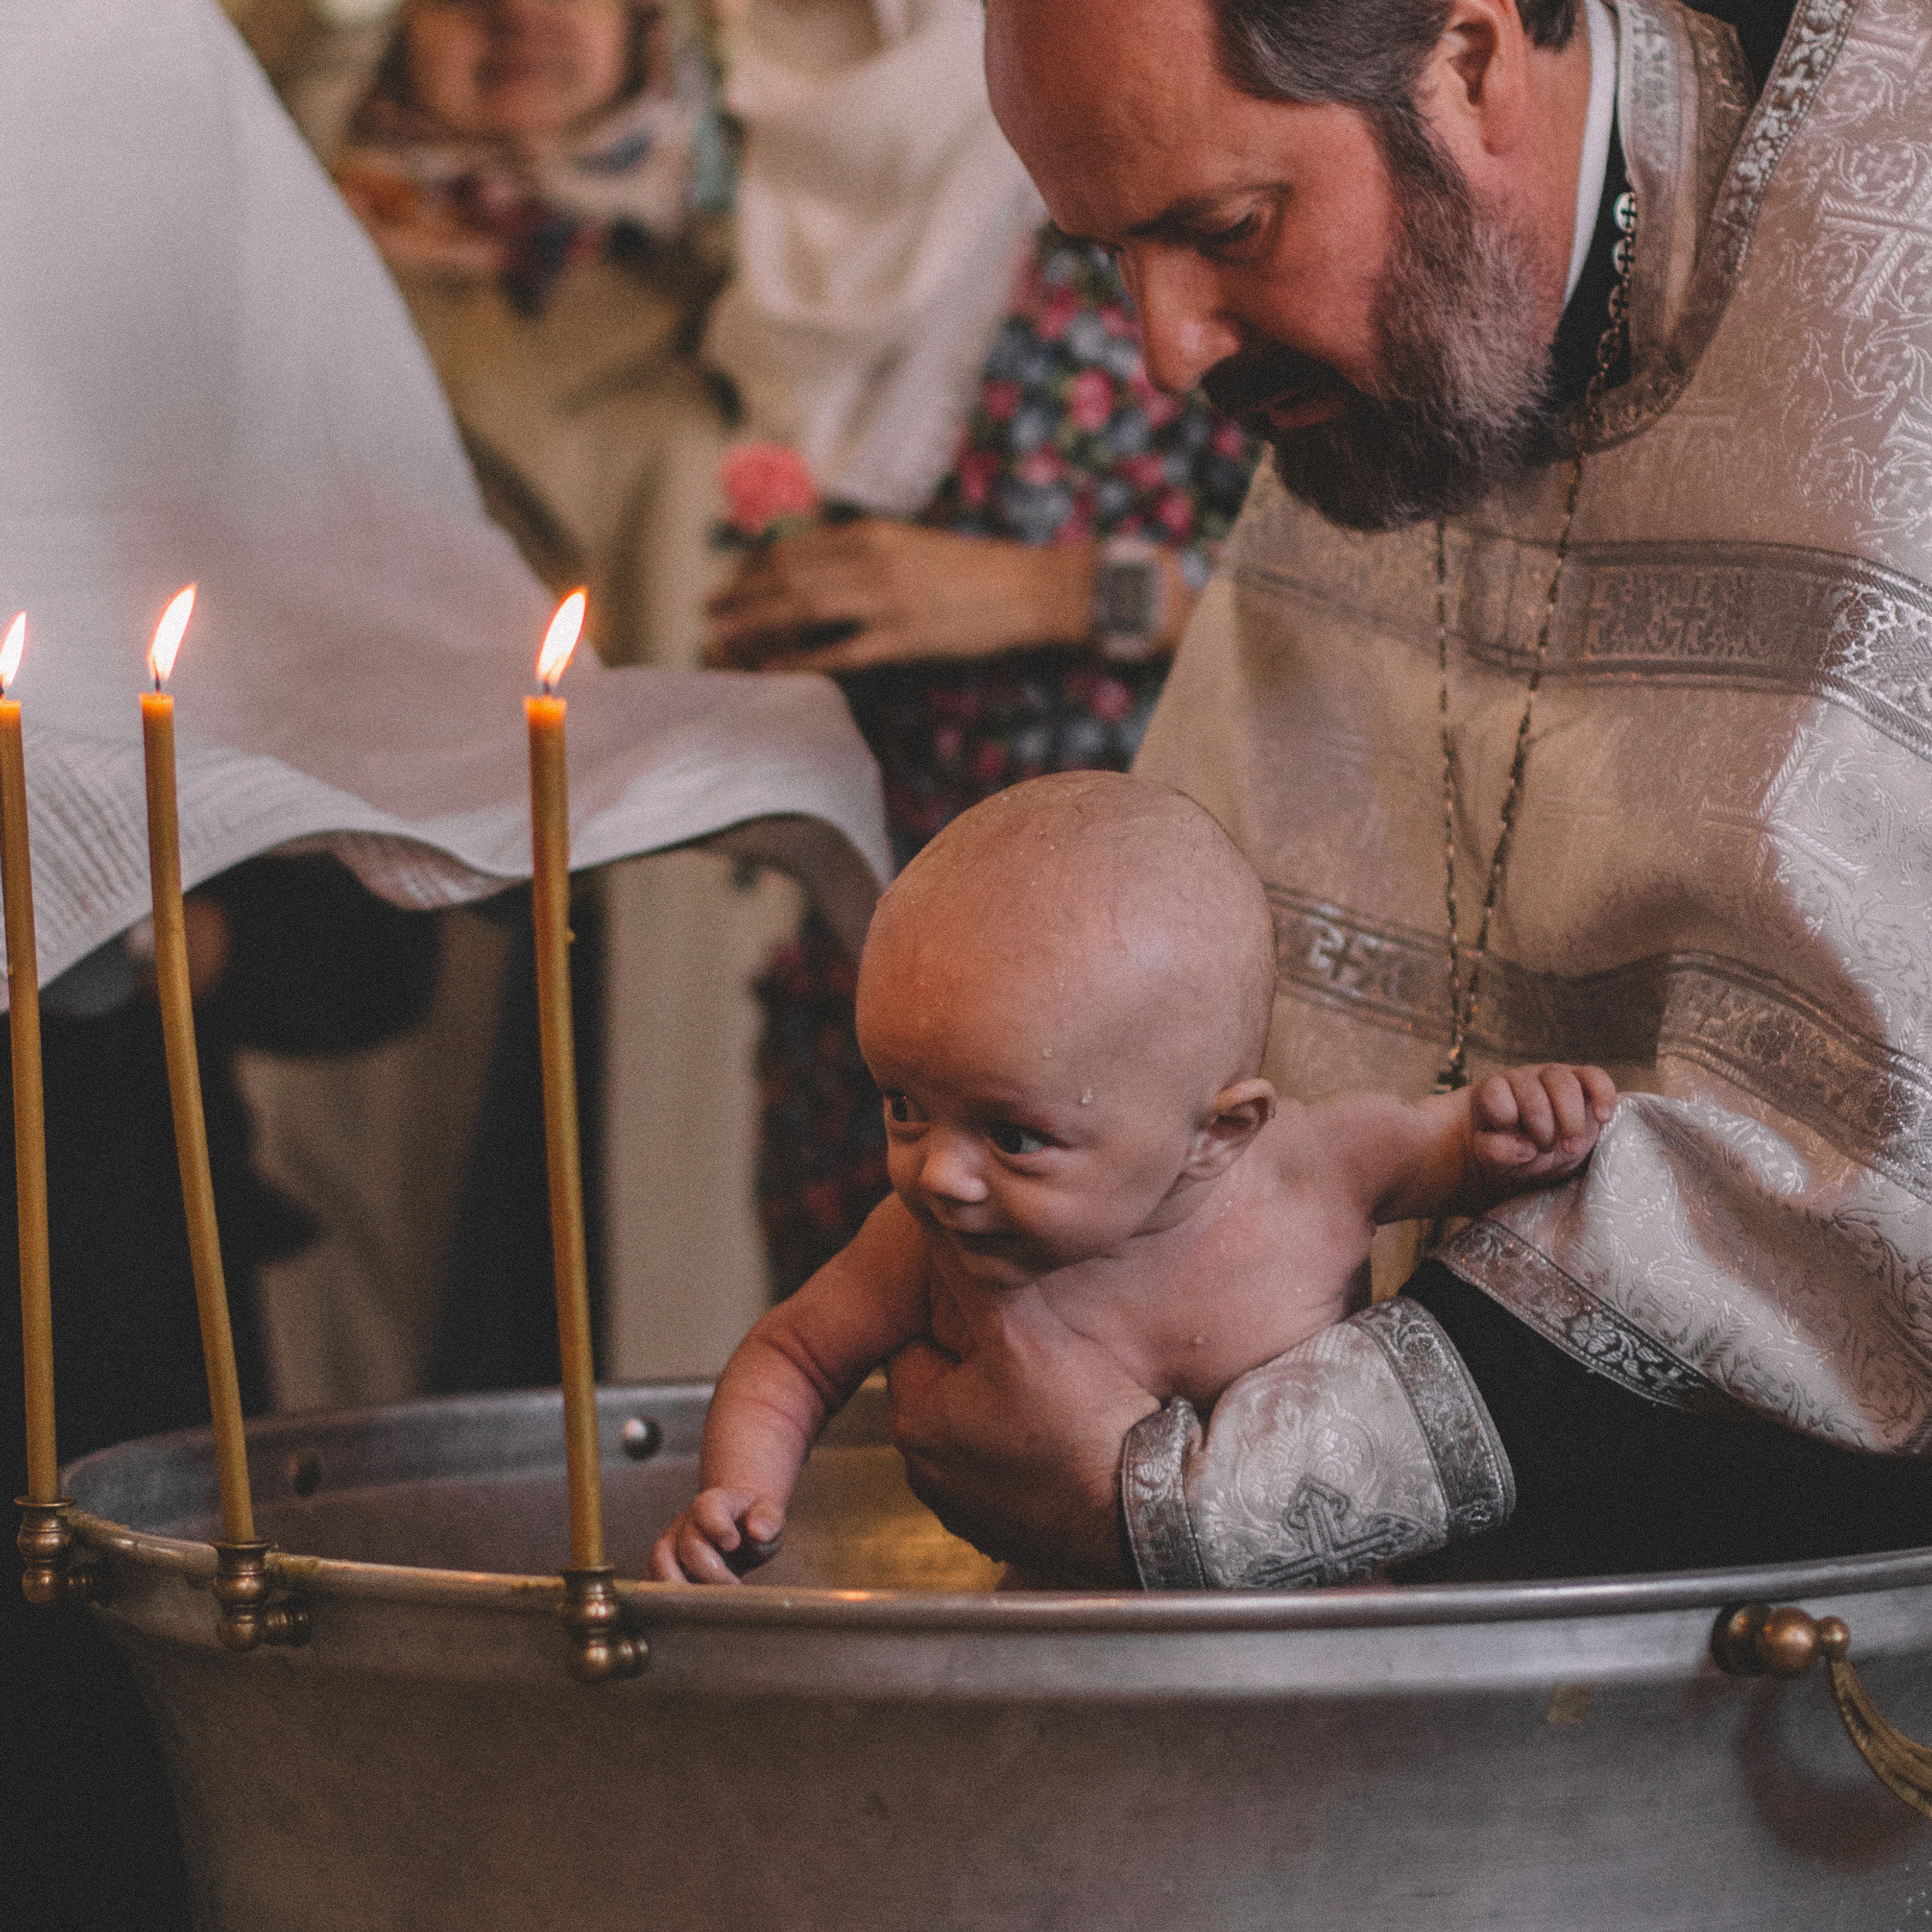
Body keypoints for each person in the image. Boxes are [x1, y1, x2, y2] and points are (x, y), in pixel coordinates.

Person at [879, 0, 1932, 1592]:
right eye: (1110, 256)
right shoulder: (1393, 361)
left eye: (1228, 229)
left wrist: (1218, 1495)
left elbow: (1873, 1192)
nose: (1168, 350)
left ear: (1471, 60)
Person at [651, 773, 1614, 1584]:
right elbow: (795, 1356)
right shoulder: (921, 1247)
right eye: (904, 1105)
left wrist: (1524, 1120)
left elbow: (1470, 1147)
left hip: (1325, 1649)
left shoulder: (1316, 1171)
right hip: (1068, 1654)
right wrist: (739, 1492)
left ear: (1218, 1133)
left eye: (1013, 1136)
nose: (938, 1174)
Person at [703, 0, 1259, 1294]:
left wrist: (1038, 593)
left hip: (1111, 973)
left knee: (1092, 1374)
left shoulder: (1118, 147)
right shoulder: (773, 200)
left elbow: (1345, 571)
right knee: (850, 1375)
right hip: (864, 967)